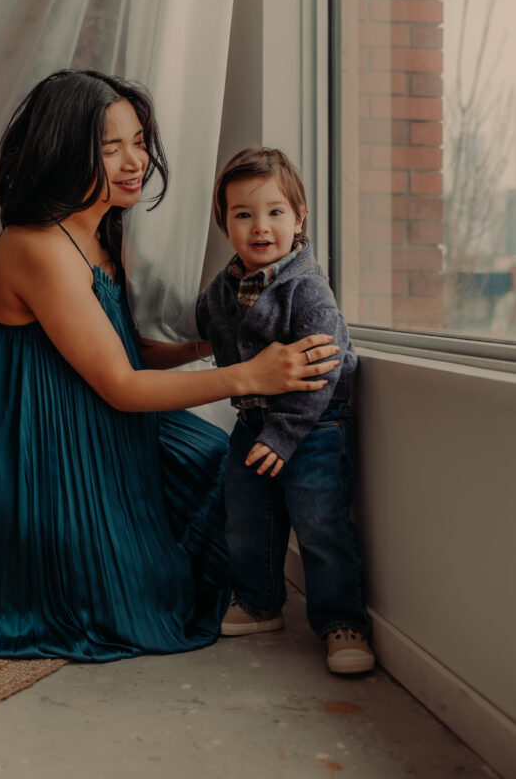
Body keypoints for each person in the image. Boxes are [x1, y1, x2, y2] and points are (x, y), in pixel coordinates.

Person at [0, 71, 339, 662]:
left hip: (89, 408)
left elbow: (122, 349)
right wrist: (252, 375)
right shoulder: (35, 246)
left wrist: (214, 346)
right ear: (65, 150)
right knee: (128, 592)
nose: (134, 160)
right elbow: (119, 384)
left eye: (138, 141)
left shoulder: (101, 230)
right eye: (110, 147)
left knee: (224, 466)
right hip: (24, 443)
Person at [196, 147, 374, 674]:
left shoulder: (307, 289)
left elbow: (324, 369)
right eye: (243, 214)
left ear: (299, 219)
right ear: (225, 223)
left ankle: (343, 622)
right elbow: (210, 325)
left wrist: (285, 434)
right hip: (252, 419)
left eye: (275, 212)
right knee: (246, 517)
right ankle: (257, 601)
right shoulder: (224, 288)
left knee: (320, 525)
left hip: (314, 426)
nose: (260, 227)